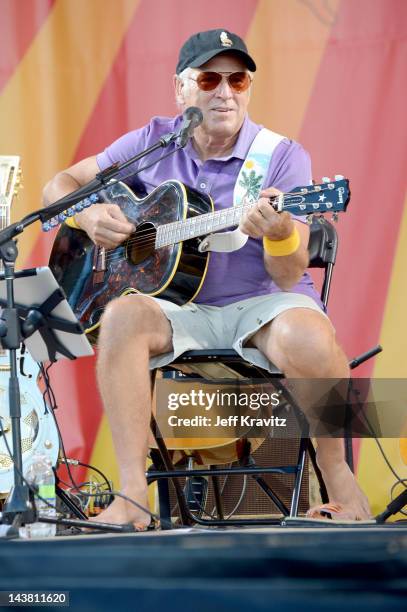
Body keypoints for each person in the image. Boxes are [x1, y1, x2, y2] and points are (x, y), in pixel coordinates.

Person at [43, 29, 371, 526]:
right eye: (210, 78)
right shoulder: (152, 141)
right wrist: (88, 216)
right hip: (178, 307)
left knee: (307, 334)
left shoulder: (281, 156)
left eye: (238, 80)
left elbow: (288, 274)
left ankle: (341, 481)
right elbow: (59, 185)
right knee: (119, 318)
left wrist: (280, 230)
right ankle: (133, 497)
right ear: (181, 89)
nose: (225, 91)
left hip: (261, 302)